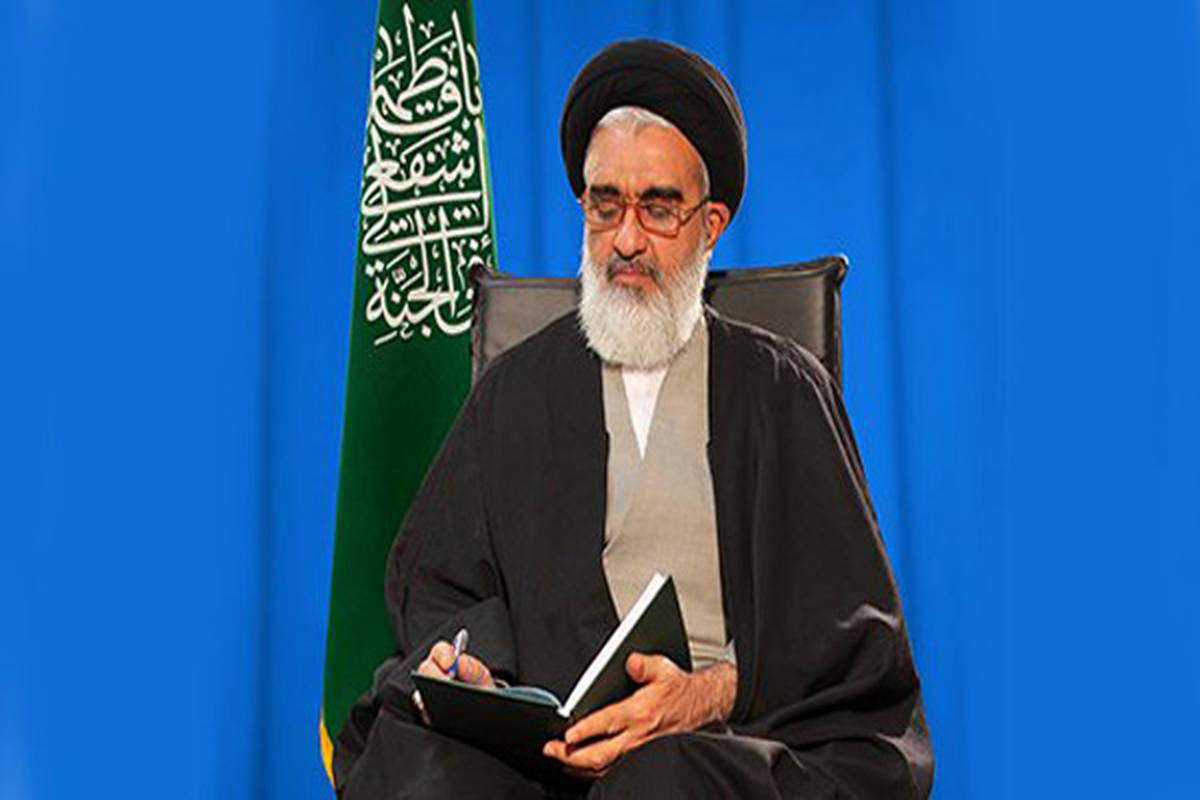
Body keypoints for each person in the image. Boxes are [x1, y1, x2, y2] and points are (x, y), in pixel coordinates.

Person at [333, 38, 933, 799]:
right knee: (417, 770)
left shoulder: (784, 391)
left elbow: (850, 644)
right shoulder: (515, 391)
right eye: (605, 204)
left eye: (658, 208)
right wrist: (477, 670)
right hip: (542, 754)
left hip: (720, 746)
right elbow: (441, 587)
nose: (625, 239)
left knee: (661, 780)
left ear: (710, 225)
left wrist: (710, 693)